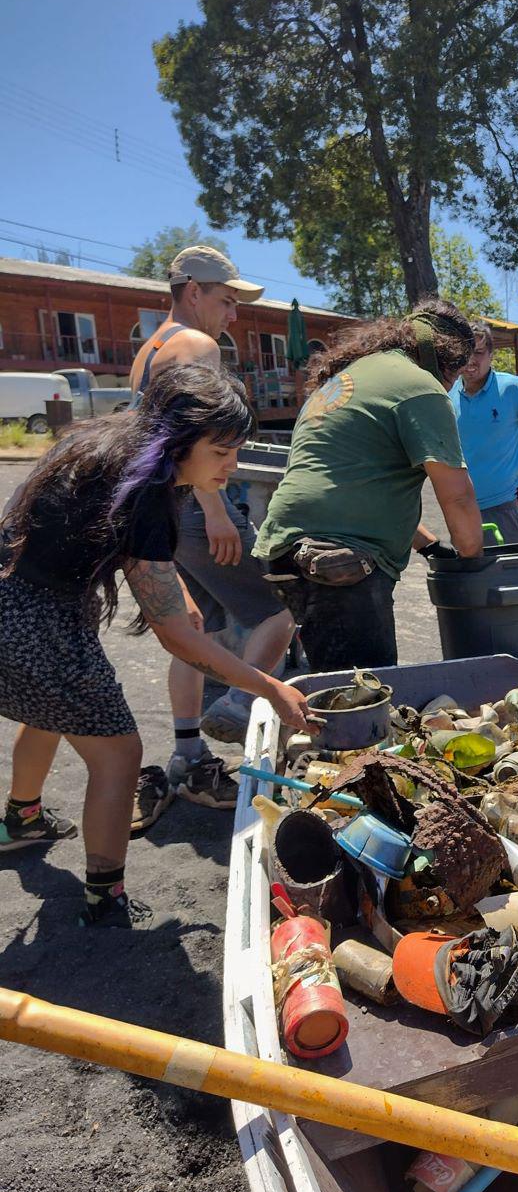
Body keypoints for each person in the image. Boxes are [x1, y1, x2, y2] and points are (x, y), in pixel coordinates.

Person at [0, 365, 315, 927]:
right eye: (221, 450)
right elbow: (173, 633)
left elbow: (143, 570)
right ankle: (106, 896)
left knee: (46, 711)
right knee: (119, 754)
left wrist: (184, 610)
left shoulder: (105, 447)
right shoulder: (148, 492)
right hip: (38, 621)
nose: (232, 464)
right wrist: (267, 688)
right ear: (179, 440)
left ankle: (21, 819)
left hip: (9, 600)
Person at [129, 246, 295, 812]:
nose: (232, 317)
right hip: (200, 509)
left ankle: (187, 754)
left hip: (168, 514)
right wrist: (218, 510)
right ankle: (245, 706)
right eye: (225, 301)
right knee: (281, 606)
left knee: (192, 630)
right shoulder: (197, 345)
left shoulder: (148, 348)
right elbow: (196, 434)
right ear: (192, 291)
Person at [253, 299, 484, 671]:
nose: (453, 384)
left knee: (335, 683)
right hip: (340, 556)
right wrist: (473, 563)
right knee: (363, 699)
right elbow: (457, 496)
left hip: (285, 545)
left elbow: (361, 485)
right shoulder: (420, 385)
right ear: (446, 357)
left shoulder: (354, 376)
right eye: (456, 375)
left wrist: (430, 547)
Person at [448, 322, 518, 543]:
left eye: (478, 353)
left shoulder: (514, 389)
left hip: (503, 508)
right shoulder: (447, 396)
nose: (470, 360)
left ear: (491, 355)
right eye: (465, 353)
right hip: (462, 509)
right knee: (469, 577)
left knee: (508, 575)